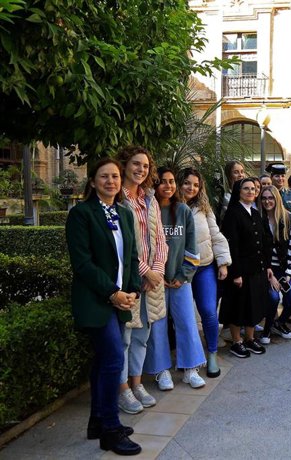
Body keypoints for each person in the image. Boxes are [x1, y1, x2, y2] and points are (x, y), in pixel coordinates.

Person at [66, 158, 142, 455]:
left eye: (114, 176)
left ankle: (97, 421)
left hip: (120, 298)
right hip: (96, 300)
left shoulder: (123, 214)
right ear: (93, 181)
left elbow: (132, 255)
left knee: (102, 361)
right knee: (112, 358)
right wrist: (113, 292)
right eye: (104, 176)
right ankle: (110, 429)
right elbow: (82, 263)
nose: (110, 181)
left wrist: (132, 289)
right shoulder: (81, 214)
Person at [116, 146, 168, 414]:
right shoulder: (117, 199)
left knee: (142, 335)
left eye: (146, 166)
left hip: (152, 281)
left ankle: (137, 384)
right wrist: (144, 271)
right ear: (124, 164)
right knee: (125, 336)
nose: (141, 169)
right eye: (136, 164)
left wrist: (157, 271)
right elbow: (122, 246)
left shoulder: (149, 198)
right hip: (130, 279)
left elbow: (160, 238)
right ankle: (122, 388)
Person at [147, 167, 206, 388]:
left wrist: (183, 275)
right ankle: (162, 371)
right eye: (163, 181)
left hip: (181, 280)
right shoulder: (148, 212)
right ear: (154, 184)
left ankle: (191, 369)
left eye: (171, 181)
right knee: (158, 326)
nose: (168, 186)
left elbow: (192, 247)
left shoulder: (183, 211)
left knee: (187, 322)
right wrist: (155, 275)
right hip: (155, 281)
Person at [180, 167, 231, 378]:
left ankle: (211, 353)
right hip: (180, 270)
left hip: (204, 267)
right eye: (187, 183)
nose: (191, 187)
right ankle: (189, 358)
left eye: (195, 184)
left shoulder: (204, 208)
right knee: (183, 316)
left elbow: (216, 235)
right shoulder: (168, 207)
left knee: (209, 311)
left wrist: (223, 262)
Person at [220, 178, 273, 358]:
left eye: (253, 189)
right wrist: (235, 273)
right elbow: (231, 245)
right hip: (240, 271)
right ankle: (237, 341)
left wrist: (266, 266)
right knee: (238, 307)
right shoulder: (233, 213)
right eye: (246, 189)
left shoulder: (256, 213)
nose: (251, 191)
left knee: (253, 306)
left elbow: (265, 241)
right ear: (239, 191)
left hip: (256, 269)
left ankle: (250, 339)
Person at [259, 185, 291, 343]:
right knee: (274, 298)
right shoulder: (258, 219)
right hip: (267, 270)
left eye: (270, 198)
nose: (267, 201)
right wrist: (269, 276)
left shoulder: (289, 219)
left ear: (277, 199)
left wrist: (288, 275)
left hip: (283, 268)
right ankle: (266, 330)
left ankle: (279, 323)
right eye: (264, 198)